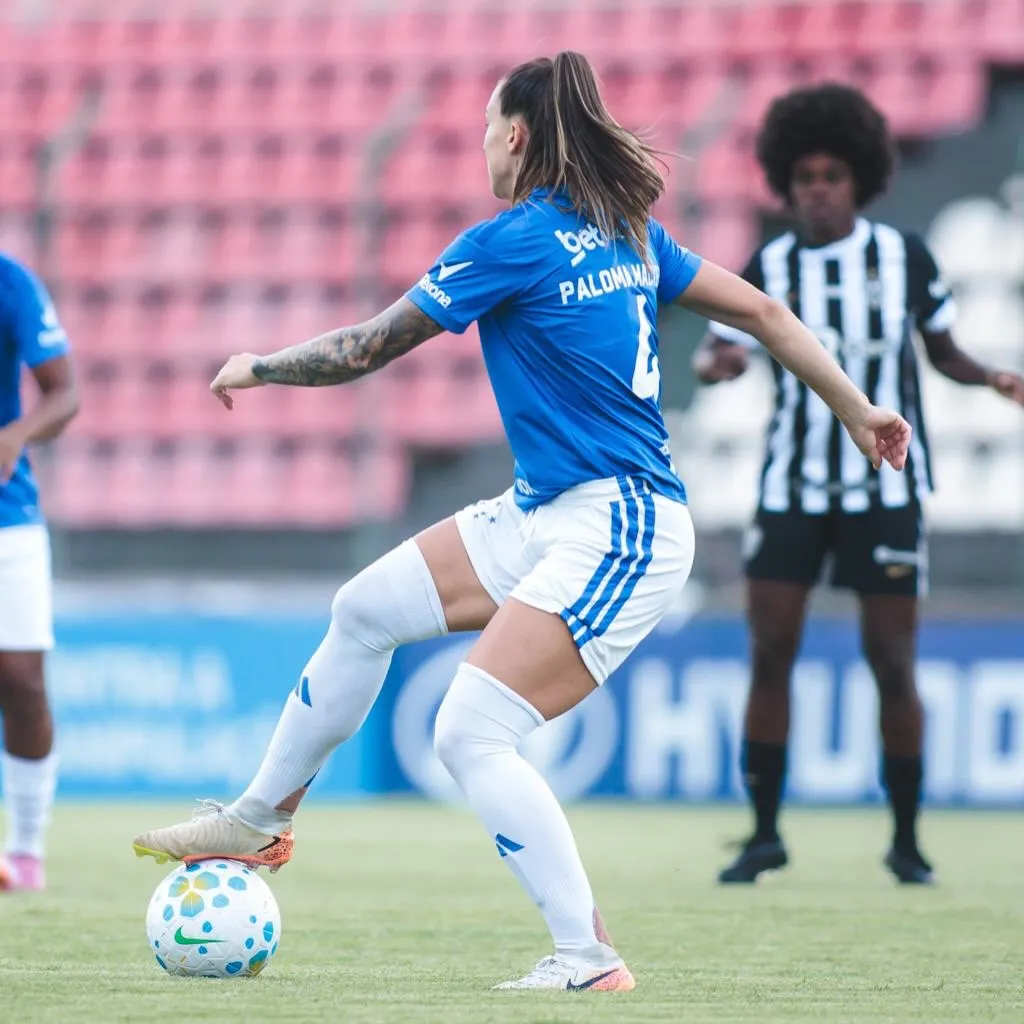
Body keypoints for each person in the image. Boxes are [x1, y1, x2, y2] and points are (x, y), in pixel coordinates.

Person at [133, 54, 910, 990]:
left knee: (470, 730)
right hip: (547, 510)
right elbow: (768, 312)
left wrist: (260, 364)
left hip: (622, 523)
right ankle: (259, 818)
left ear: (515, 137)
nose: (480, 149)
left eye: (485, 130)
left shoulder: (512, 239)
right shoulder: (626, 233)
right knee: (364, 608)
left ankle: (587, 959)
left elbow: (367, 346)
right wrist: (859, 408)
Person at [694, 84, 1024, 887]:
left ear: (861, 177)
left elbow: (942, 351)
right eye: (802, 174)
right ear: (785, 178)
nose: (815, 187)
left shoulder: (903, 256)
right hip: (791, 488)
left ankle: (907, 842)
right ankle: (765, 833)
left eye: (831, 173)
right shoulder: (767, 264)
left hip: (885, 490)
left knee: (892, 662)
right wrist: (717, 364)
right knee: (770, 654)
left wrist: (992, 378)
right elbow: (715, 353)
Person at [0, 253, 78, 892]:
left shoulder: (10, 279)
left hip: (9, 515)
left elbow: (66, 391)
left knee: (22, 682)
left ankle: (25, 852)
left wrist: (15, 435)